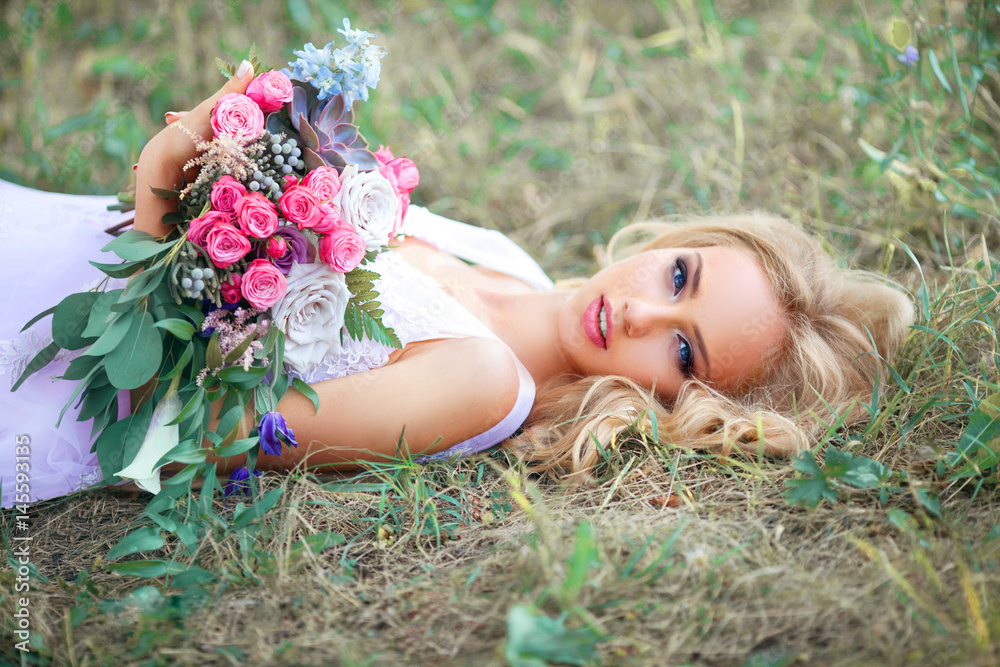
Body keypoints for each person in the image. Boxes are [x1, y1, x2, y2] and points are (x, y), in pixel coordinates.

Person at [1, 64, 914, 507]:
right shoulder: (505, 257)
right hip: (73, 239)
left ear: (683, 402)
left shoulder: (486, 383)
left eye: (681, 346)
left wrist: (166, 181)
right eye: (680, 276)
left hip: (75, 352)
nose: (640, 308)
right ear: (675, 242)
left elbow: (221, 428)